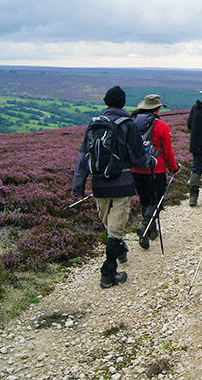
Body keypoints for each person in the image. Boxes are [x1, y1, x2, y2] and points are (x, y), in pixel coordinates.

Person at [72, 86, 157, 289]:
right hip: (122, 185)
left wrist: (78, 186)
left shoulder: (94, 126)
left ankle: (119, 251)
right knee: (115, 231)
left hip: (99, 185)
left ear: (106, 103)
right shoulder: (128, 125)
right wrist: (151, 162)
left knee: (110, 226)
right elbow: (138, 158)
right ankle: (108, 273)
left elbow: (83, 158)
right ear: (122, 103)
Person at [131, 94, 179, 248]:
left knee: (145, 200)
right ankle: (145, 225)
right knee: (157, 201)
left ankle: (151, 231)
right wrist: (173, 168)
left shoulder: (132, 123)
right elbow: (167, 150)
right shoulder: (162, 126)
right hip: (156, 169)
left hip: (136, 169)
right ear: (157, 109)